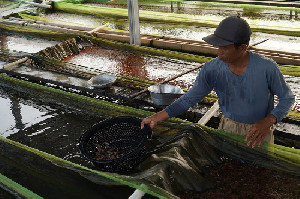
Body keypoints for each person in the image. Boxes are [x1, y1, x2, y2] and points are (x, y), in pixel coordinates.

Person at [141, 16, 295, 148]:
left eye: (224, 47)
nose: (218, 51)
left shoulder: (267, 68)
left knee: (260, 174)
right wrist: (156, 117)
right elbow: (189, 99)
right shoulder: (211, 69)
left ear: (242, 48)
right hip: (228, 127)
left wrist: (268, 121)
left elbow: (287, 98)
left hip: (259, 131)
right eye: (218, 46)